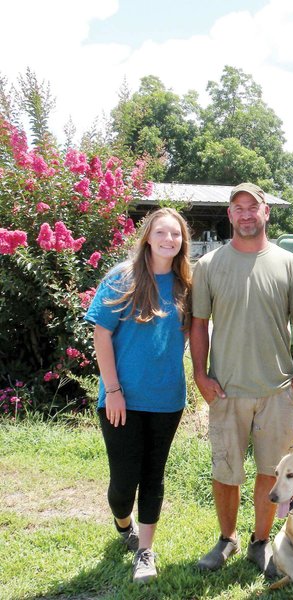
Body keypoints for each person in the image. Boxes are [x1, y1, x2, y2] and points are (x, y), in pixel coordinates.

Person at [190, 182, 293, 574]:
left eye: (253, 207)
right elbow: (198, 324)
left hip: (277, 392)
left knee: (271, 473)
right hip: (226, 391)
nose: (246, 214)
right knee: (226, 472)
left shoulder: (287, 262)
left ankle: (260, 543)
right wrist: (199, 375)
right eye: (238, 208)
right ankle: (226, 539)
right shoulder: (209, 265)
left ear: (266, 213)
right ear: (230, 215)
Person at [85, 207, 192, 584]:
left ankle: (145, 550)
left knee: (153, 476)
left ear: (183, 242)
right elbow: (101, 334)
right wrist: (112, 390)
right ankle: (123, 523)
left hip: (167, 400)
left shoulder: (185, 285)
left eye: (176, 235)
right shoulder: (122, 279)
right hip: (122, 399)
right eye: (161, 232)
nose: (169, 240)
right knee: (122, 482)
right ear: (148, 236)